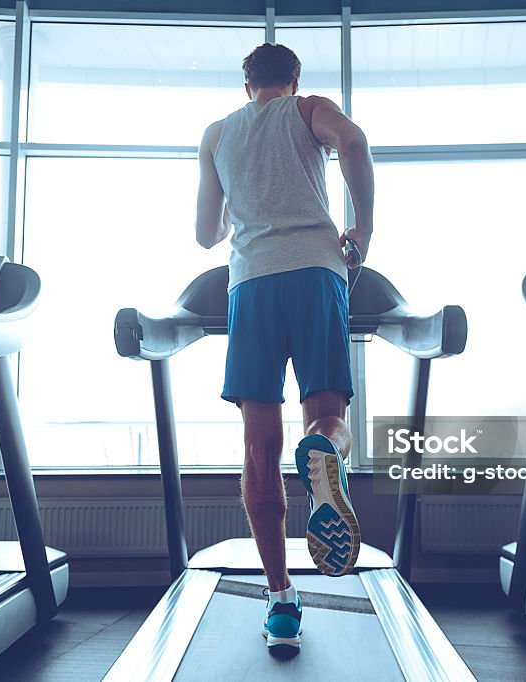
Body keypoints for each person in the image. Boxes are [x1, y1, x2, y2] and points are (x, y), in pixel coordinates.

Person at [194, 42, 375, 657]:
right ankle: (325, 451)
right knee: (327, 413)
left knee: (258, 446)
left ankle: (279, 600)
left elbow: (203, 233)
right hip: (316, 271)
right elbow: (353, 142)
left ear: (246, 85)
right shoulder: (308, 111)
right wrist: (362, 231)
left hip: (251, 282)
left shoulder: (219, 134)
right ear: (293, 80)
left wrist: (235, 216)